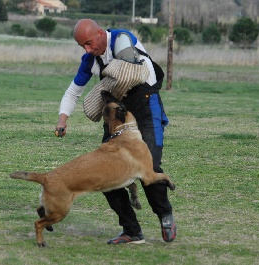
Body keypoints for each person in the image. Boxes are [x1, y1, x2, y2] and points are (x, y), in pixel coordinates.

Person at [55, 19, 176, 244]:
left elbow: (128, 63)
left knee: (148, 168)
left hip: (145, 109)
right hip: (116, 118)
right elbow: (73, 91)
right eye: (83, 46)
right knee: (104, 175)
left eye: (89, 43)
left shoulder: (122, 39)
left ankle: (165, 214)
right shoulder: (90, 60)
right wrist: (63, 118)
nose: (88, 50)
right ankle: (132, 230)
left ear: (100, 33)